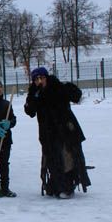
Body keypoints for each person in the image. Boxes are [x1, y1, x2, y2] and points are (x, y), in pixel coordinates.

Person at [24, 67, 91, 199]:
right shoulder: (35, 93)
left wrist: (69, 88)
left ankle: (67, 186)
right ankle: (57, 185)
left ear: (46, 77)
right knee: (53, 160)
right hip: (48, 133)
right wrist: (33, 96)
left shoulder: (57, 87)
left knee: (67, 158)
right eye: (36, 79)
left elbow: (76, 96)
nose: (40, 81)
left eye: (42, 78)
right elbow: (30, 111)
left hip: (65, 129)